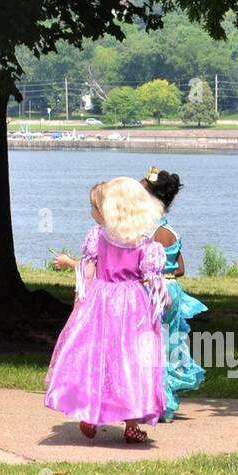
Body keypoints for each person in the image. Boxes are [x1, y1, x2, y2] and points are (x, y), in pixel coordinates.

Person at [44, 178, 168, 444]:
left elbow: (87, 273)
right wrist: (160, 296)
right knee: (130, 361)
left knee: (95, 356)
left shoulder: (98, 237)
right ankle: (132, 423)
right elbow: (150, 278)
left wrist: (82, 300)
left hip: (101, 301)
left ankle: (90, 413)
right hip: (132, 306)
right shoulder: (145, 246)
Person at [141, 166, 207, 420]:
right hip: (174, 290)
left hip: (156, 291)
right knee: (170, 345)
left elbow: (147, 266)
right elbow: (180, 267)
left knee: (153, 346)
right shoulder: (171, 231)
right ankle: (165, 399)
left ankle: (161, 403)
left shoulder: (153, 233)